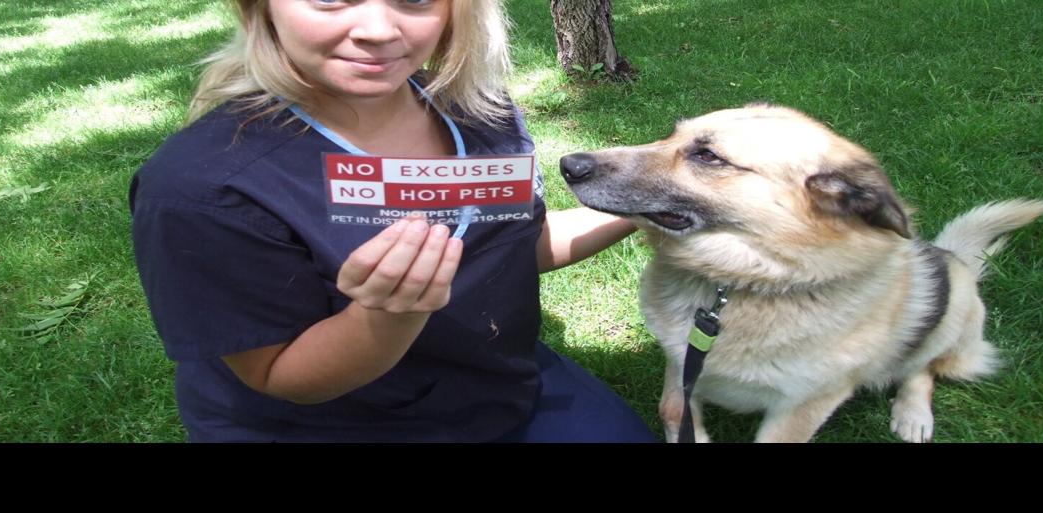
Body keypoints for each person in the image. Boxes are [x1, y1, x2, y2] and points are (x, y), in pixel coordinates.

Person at [130, 0, 657, 442]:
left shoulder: (477, 110)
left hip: (491, 383)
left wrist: (645, 201)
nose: (379, 30)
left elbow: (515, 244)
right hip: (331, 424)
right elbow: (279, 376)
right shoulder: (200, 190)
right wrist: (384, 316)